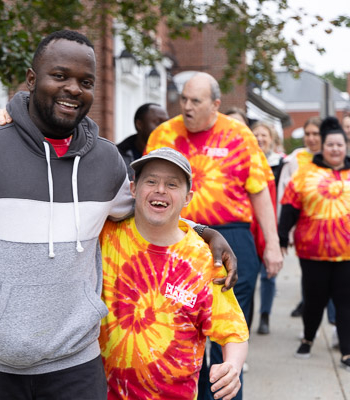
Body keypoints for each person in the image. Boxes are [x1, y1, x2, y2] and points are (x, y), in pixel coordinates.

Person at [0, 30, 237, 400]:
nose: (73, 89)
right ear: (32, 79)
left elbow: (147, 210)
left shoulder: (105, 162)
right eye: (60, 76)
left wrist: (203, 231)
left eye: (85, 82)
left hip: (75, 362)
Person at [145, 72, 283, 400]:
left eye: (196, 101)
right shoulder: (164, 134)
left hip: (232, 237)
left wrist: (273, 244)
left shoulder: (238, 134)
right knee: (178, 331)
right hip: (177, 237)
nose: (187, 107)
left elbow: (259, 191)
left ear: (216, 104)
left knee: (226, 336)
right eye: (184, 99)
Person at [99, 147, 249, 400]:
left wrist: (232, 366)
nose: (160, 190)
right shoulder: (105, 236)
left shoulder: (205, 260)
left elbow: (233, 331)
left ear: (188, 197)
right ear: (133, 189)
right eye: (151, 181)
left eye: (172, 184)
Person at [278, 116, 350, 370]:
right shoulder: (305, 173)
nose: (335, 149)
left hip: (347, 254)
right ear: (323, 146)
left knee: (345, 302)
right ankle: (308, 338)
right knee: (314, 300)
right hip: (312, 252)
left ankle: (347, 351)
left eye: (339, 145)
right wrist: (282, 237)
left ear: (345, 146)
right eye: (330, 144)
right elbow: (289, 207)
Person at [278, 117, 321, 318]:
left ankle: (333, 320)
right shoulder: (295, 159)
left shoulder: (332, 157)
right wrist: (284, 230)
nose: (311, 138)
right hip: (303, 227)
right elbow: (284, 194)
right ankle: (308, 307)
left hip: (330, 227)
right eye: (308, 134)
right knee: (309, 273)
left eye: (316, 134)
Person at [251, 121, 284, 335]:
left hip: (272, 223)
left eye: (264, 135)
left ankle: (265, 315)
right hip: (249, 225)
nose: (260, 138)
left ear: (271, 139)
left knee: (267, 275)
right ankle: (246, 318)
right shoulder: (244, 162)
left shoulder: (280, 164)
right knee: (246, 278)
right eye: (256, 134)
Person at [117, 103, 169, 179]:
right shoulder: (117, 156)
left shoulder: (173, 155)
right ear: (139, 124)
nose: (164, 128)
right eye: (158, 123)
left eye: (167, 123)